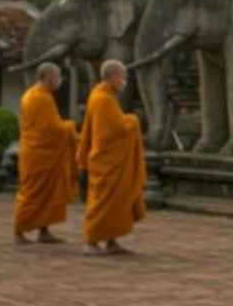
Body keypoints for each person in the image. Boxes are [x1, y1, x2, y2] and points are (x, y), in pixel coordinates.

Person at [77, 59, 146, 255]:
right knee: (103, 203)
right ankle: (91, 242)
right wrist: (132, 120)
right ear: (114, 77)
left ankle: (111, 240)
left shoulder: (103, 95)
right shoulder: (102, 99)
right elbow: (115, 130)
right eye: (123, 77)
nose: (124, 82)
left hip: (111, 161)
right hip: (106, 162)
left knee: (116, 203)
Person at [14, 62, 77, 245]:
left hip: (42, 152)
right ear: (48, 77)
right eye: (58, 76)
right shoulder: (39, 98)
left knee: (48, 193)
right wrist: (70, 127)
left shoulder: (40, 95)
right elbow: (52, 128)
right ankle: (19, 231)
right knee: (33, 192)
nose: (60, 80)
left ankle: (44, 230)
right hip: (38, 153)